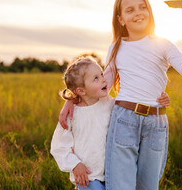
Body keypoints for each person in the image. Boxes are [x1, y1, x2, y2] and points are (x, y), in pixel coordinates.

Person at [59, 0, 182, 190]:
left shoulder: (163, 45)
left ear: (149, 11)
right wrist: (71, 100)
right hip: (124, 119)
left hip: (156, 123)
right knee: (120, 186)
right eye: (130, 10)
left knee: (147, 187)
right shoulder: (116, 46)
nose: (138, 12)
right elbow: (101, 86)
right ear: (121, 19)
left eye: (142, 7)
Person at [51, 56, 171, 190]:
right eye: (96, 78)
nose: (103, 79)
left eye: (101, 74)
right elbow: (59, 146)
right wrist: (75, 164)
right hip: (88, 177)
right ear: (81, 91)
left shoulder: (111, 104)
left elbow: (132, 107)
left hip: (112, 175)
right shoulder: (72, 115)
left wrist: (158, 99)